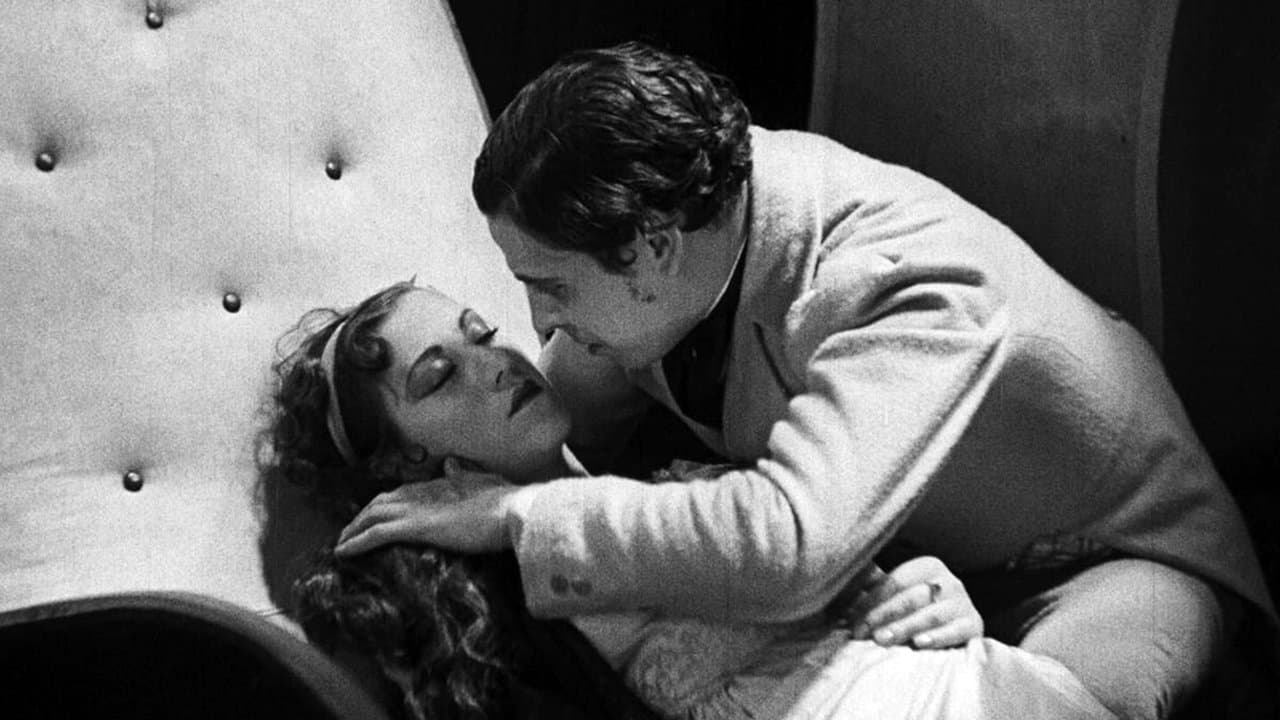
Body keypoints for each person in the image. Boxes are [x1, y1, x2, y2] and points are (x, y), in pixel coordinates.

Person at [339, 42, 1277, 720]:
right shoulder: (657, 262)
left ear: (652, 251)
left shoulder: (903, 284)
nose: (538, 326)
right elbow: (535, 432)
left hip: (1116, 558)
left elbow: (791, 541)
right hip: (908, 560)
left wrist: (514, 517)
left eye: (548, 287)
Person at [267, 281, 1111, 720]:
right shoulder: (481, 619)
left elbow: (830, 550)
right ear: (407, 462)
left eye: (481, 333)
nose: (494, 364)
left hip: (980, 689)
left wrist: (928, 591)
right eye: (440, 376)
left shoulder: (679, 469)